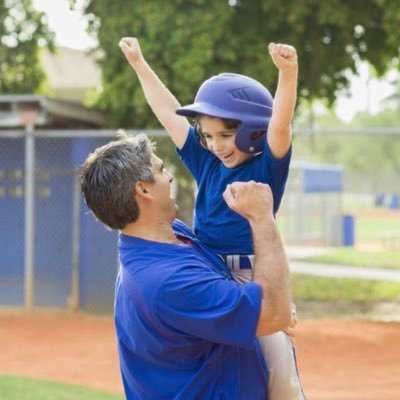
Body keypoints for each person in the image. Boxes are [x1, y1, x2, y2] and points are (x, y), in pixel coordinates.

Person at [119, 38, 305, 399]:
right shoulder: (207, 162)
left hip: (254, 275)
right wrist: (139, 63)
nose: (216, 145)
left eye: (225, 134)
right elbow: (169, 113)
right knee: (220, 366)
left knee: (283, 380)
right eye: (208, 136)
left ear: (253, 130)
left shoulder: (267, 166)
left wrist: (288, 74)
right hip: (209, 273)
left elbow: (280, 125)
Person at [80, 131, 295, 399]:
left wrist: (261, 309)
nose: (170, 177)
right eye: (161, 170)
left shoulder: (173, 236)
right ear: (143, 189)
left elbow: (253, 306)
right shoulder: (166, 280)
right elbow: (274, 314)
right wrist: (262, 217)